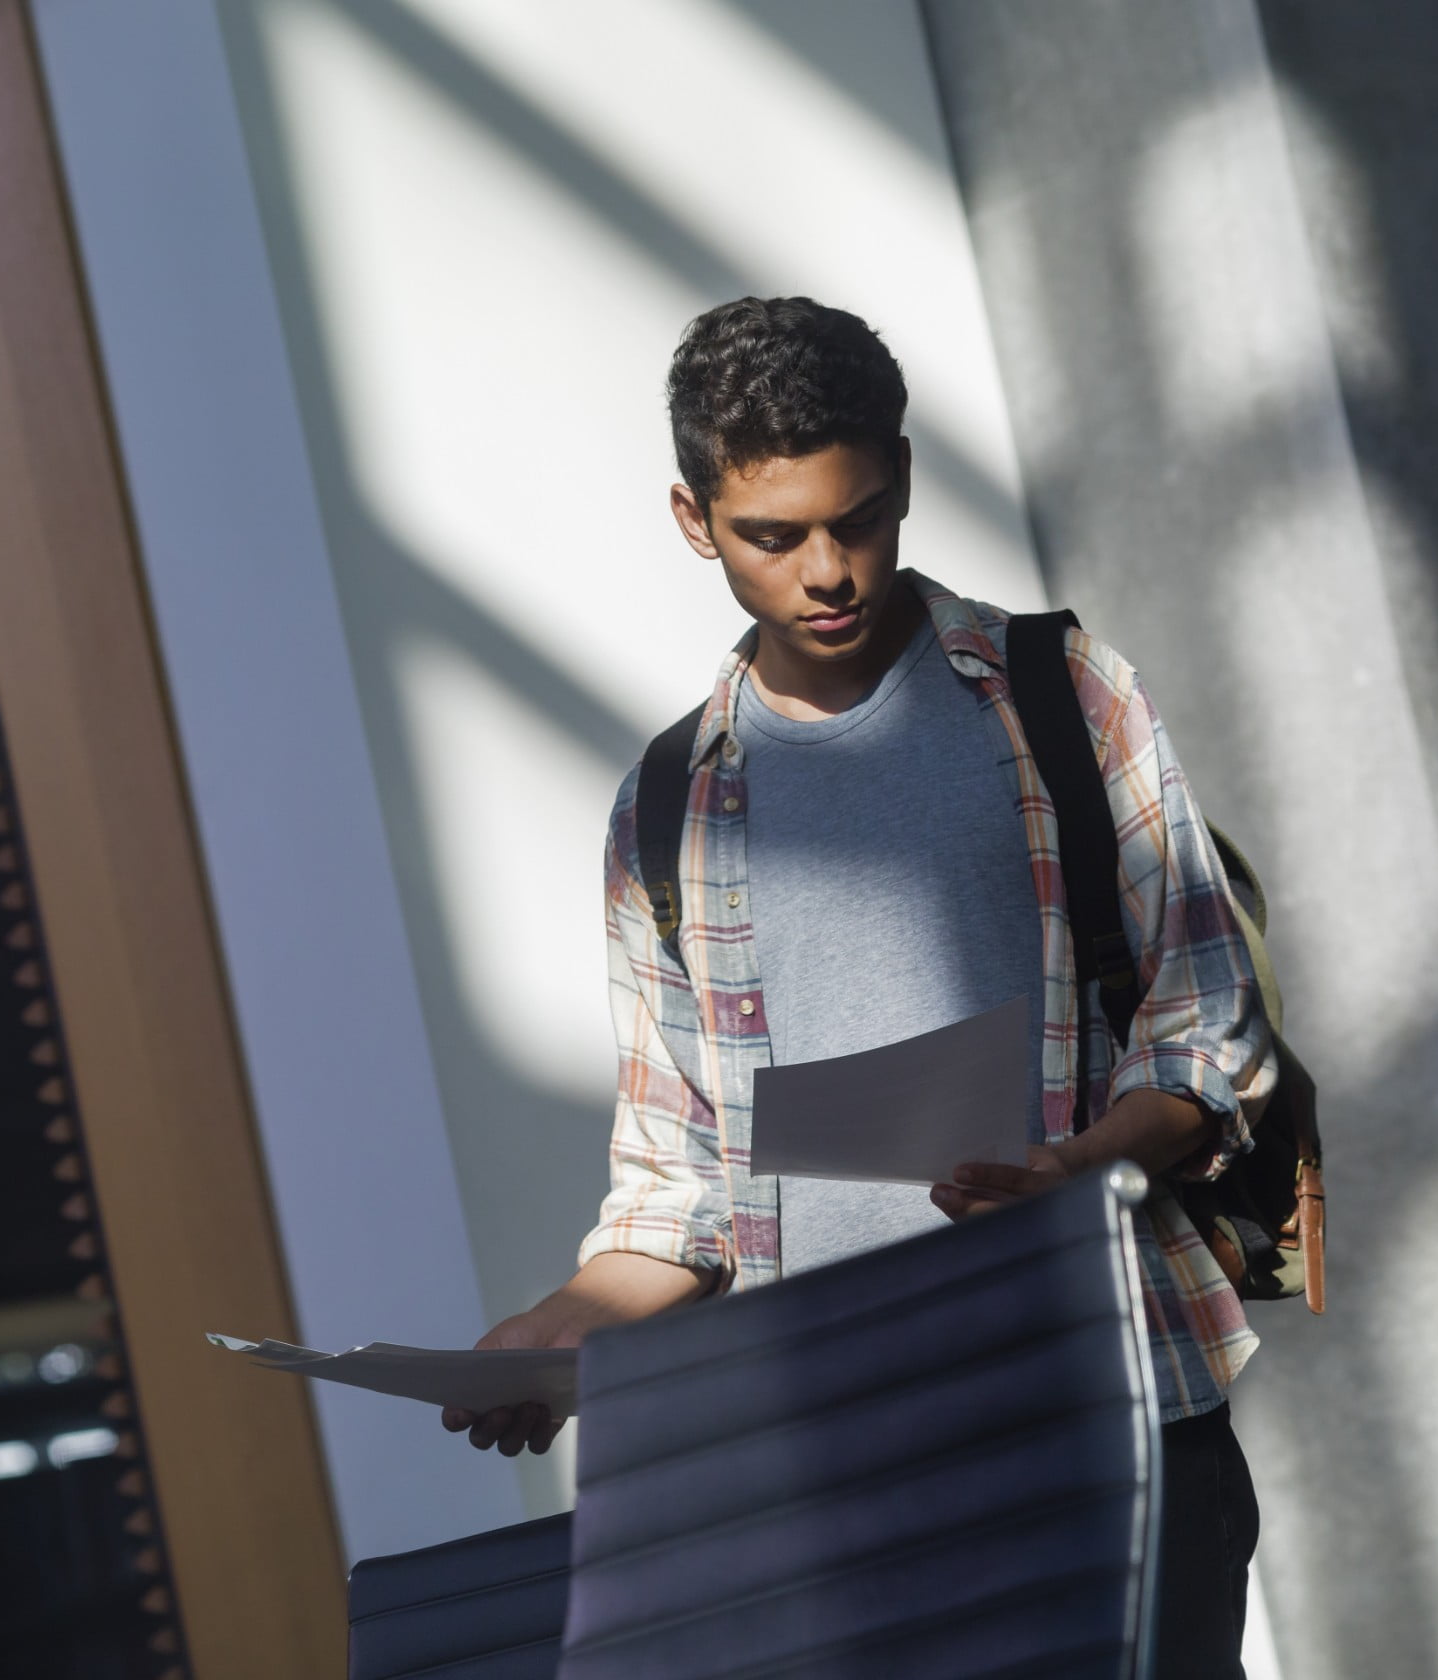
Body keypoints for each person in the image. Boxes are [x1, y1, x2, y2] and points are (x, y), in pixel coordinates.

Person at [441, 296, 1275, 1676]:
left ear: (900, 475)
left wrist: (1083, 1165)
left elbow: (1204, 1026)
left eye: (863, 518)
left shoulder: (1057, 695)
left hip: (1108, 1404)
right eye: (775, 536)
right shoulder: (669, 811)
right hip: (855, 1467)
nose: (829, 571)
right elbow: (683, 1184)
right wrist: (557, 1331)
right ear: (694, 519)